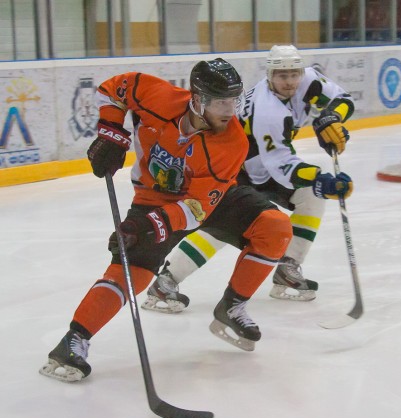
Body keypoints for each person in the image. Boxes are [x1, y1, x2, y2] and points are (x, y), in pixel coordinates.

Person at [39, 58, 294, 382]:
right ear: (198, 99)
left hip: (210, 197)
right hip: (152, 198)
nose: (230, 110)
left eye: (234, 100)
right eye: (221, 102)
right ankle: (74, 340)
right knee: (133, 272)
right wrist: (111, 132)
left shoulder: (232, 142)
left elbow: (196, 208)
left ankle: (232, 307)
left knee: (274, 227)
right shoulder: (158, 97)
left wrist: (146, 227)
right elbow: (113, 89)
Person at [142, 44, 354, 311]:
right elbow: (281, 165)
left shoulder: (308, 81)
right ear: (270, 75)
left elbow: (343, 98)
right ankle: (166, 281)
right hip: (232, 168)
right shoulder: (268, 109)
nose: (290, 81)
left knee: (310, 196)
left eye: (294, 74)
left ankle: (288, 267)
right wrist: (322, 181)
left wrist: (332, 117)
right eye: (282, 75)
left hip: (261, 166)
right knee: (224, 228)